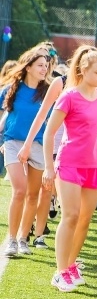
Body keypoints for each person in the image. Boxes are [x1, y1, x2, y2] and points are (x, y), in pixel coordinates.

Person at [41, 50, 97, 291]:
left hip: (95, 165)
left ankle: (70, 265)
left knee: (85, 220)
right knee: (71, 216)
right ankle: (60, 271)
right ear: (83, 70)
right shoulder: (69, 97)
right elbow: (49, 133)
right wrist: (48, 167)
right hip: (69, 163)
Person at [0, 47, 51, 257]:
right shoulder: (12, 88)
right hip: (12, 142)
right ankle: (11, 240)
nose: (44, 69)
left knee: (33, 195)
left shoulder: (48, 90)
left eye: (46, 66)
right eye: (40, 65)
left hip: (38, 145)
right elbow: (4, 116)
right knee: (19, 190)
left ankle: (23, 239)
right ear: (28, 67)